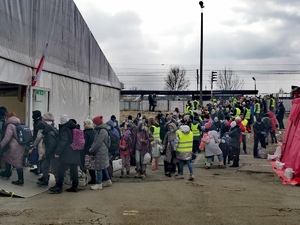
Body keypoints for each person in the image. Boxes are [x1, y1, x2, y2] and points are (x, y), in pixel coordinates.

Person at [48, 116, 81, 193]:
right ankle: (75, 186)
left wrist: (57, 152)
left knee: (61, 170)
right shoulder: (75, 127)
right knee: (74, 170)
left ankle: (59, 187)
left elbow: (63, 141)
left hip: (67, 153)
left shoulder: (65, 129)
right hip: (75, 152)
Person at [0, 112, 26, 186]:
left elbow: (7, 138)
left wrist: (1, 145)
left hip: (15, 146)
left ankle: (20, 180)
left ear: (8, 117)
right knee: (7, 157)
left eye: (6, 116)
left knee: (17, 163)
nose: (5, 118)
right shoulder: (17, 123)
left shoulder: (10, 125)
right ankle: (7, 172)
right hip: (19, 145)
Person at [89, 116, 112, 190]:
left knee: (99, 167)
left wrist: (92, 149)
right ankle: (108, 180)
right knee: (103, 166)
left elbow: (98, 142)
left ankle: (99, 183)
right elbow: (96, 141)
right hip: (102, 150)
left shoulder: (102, 131)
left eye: (94, 123)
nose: (93, 125)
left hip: (101, 151)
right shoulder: (100, 130)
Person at [36, 120, 59, 186]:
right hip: (51, 153)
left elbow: (52, 145)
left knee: (54, 169)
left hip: (52, 154)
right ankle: (45, 179)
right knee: (44, 166)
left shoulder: (49, 134)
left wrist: (47, 153)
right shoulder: (50, 130)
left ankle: (58, 183)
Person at [82, 119, 96, 184]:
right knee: (92, 167)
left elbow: (85, 143)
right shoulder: (94, 132)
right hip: (93, 151)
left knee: (86, 166)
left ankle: (83, 179)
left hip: (87, 152)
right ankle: (93, 178)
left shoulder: (86, 133)